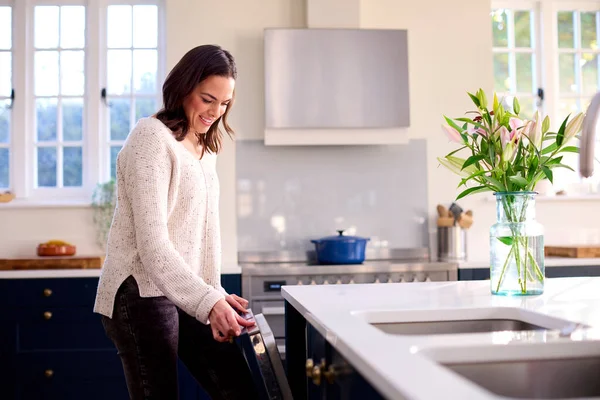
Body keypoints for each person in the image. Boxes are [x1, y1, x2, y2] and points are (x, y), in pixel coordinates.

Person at [94, 45, 259, 400]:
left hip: (185, 292)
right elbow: (153, 245)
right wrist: (208, 301)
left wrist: (214, 292)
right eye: (207, 99)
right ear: (184, 88)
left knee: (241, 388)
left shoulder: (205, 147)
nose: (216, 111)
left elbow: (206, 233)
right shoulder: (151, 138)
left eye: (225, 103)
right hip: (139, 292)